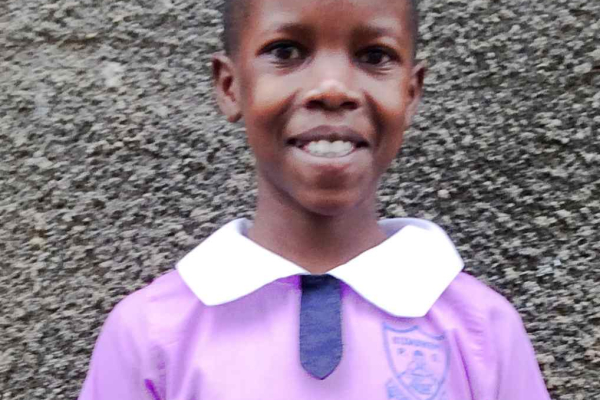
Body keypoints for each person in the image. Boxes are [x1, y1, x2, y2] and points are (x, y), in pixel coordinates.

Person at [78, 0, 552, 398]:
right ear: (230, 86)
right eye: (285, 51)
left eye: (374, 55)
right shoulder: (150, 334)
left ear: (410, 93)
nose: (332, 88)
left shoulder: (483, 330)